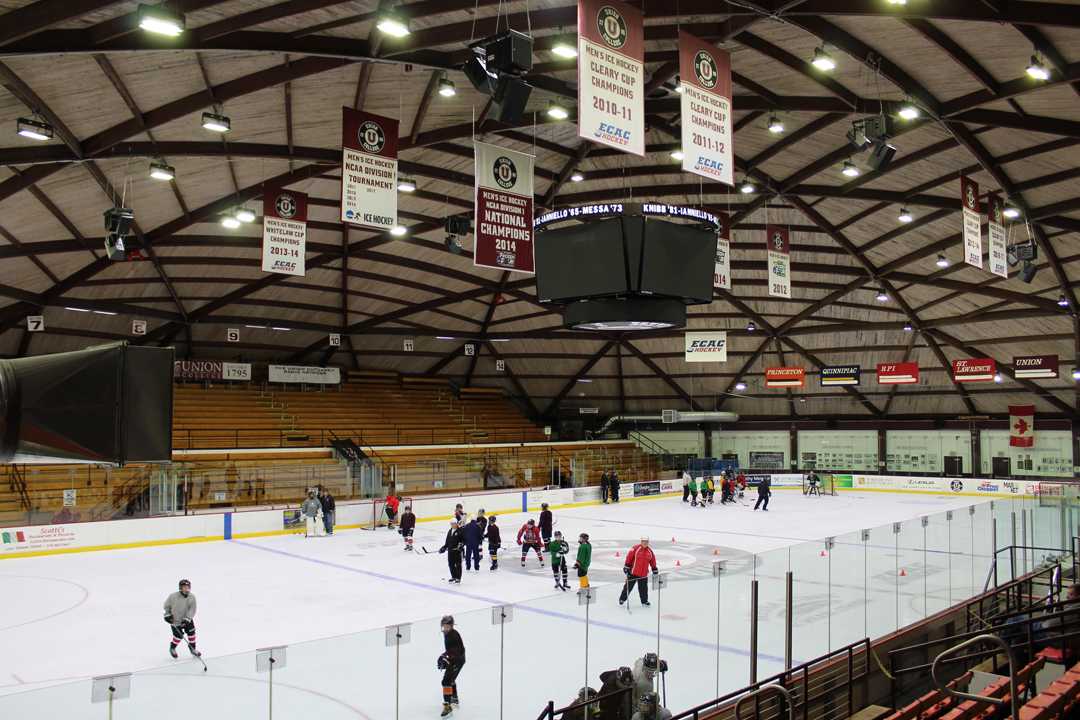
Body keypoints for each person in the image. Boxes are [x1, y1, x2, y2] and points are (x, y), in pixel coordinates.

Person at [164, 579, 200, 659]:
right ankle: (172, 648)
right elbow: (166, 606)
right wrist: (167, 615)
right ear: (180, 588)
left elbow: (192, 609)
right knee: (178, 636)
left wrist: (187, 618)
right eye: (184, 587)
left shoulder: (192, 597)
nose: (186, 589)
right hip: (175, 620)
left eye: (187, 587)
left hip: (187, 619)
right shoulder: (173, 596)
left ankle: (192, 649)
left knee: (192, 634)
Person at [438, 615, 466, 716]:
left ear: (451, 626)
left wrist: (446, 657)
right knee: (450, 679)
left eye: (447, 626)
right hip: (455, 659)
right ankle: (454, 698)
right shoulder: (447, 633)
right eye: (444, 626)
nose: (445, 628)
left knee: (446, 681)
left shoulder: (454, 635)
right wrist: (445, 656)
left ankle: (448, 706)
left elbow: (457, 651)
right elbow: (451, 650)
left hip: (458, 661)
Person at [619, 537, 658, 606]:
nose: (645, 543)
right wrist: (626, 566)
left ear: (648, 542)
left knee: (643, 589)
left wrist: (654, 568)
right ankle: (622, 599)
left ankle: (644, 601)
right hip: (633, 573)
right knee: (628, 587)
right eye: (643, 541)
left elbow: (652, 560)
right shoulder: (635, 548)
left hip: (643, 574)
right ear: (641, 541)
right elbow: (629, 557)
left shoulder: (650, 551)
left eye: (646, 542)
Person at [439, 519, 464, 584]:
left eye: (454, 523)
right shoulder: (449, 531)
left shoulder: (460, 531)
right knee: (451, 564)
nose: (453, 525)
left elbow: (464, 541)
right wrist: (444, 548)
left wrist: (461, 545)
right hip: (450, 551)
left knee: (458, 565)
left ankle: (458, 578)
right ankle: (454, 576)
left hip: (457, 551)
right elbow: (447, 542)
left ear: (456, 524)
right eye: (451, 524)